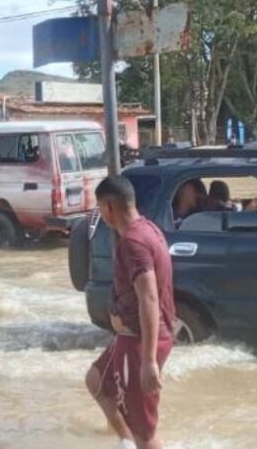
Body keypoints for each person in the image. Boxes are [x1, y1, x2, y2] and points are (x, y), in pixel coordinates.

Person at [86, 176, 175, 449]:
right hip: (129, 337)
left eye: (100, 208)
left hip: (139, 342)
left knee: (145, 432)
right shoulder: (149, 229)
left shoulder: (133, 243)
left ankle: (135, 440)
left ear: (110, 207)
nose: (101, 215)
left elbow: (148, 297)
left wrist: (148, 361)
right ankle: (126, 442)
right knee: (96, 381)